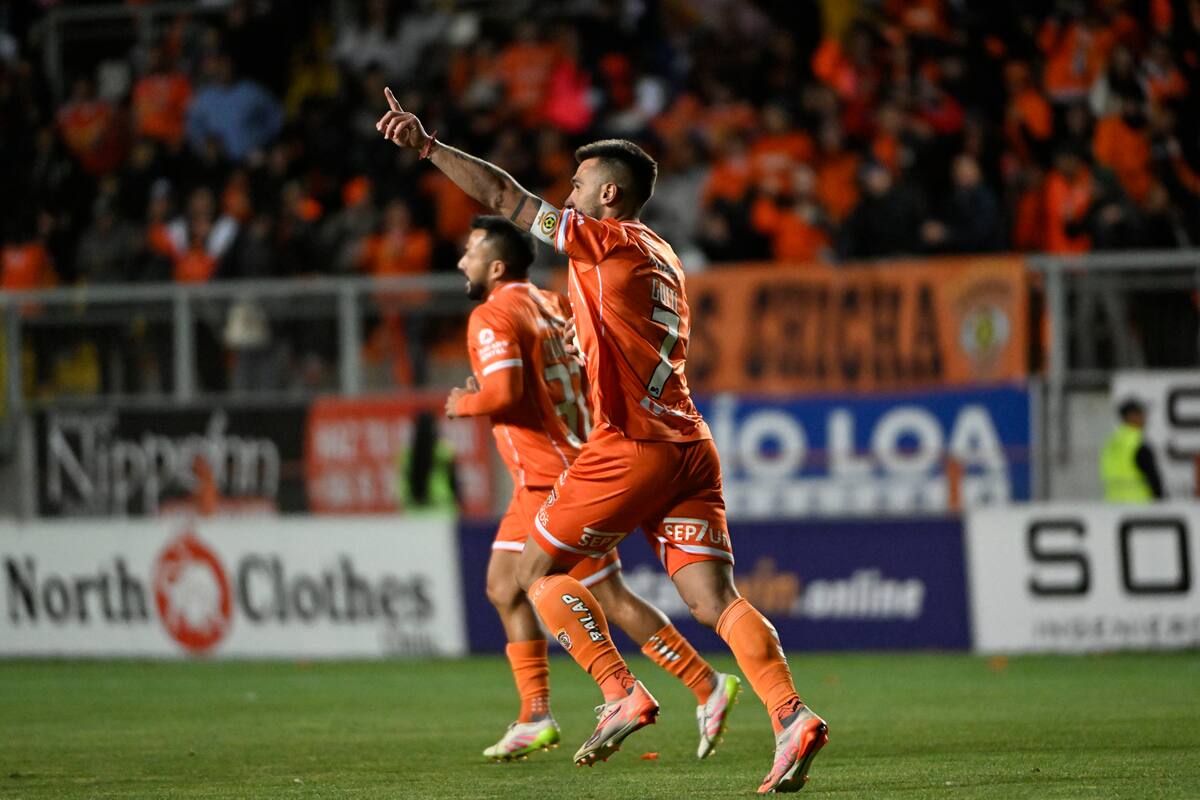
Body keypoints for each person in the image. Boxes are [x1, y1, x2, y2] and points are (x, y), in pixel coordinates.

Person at [377, 88, 827, 793]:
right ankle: (790, 714)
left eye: (579, 184)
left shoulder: (605, 237)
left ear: (609, 194)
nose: (568, 194)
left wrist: (428, 148)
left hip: (632, 445)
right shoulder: (662, 253)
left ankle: (621, 691)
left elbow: (502, 191)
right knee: (713, 600)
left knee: (532, 577)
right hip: (689, 444)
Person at [446, 215, 740, 762]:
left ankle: (684, 686)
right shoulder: (553, 304)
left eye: (469, 252)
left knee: (602, 593)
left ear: (496, 265)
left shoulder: (492, 313)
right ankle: (535, 715)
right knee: (503, 587)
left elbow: (505, 391)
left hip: (552, 474)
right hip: (541, 472)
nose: (461, 262)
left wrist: (463, 401)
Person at [1101, 399, 1165, 502]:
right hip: (1138, 509)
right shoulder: (1139, 445)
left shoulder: (1110, 444)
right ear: (1131, 417)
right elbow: (1155, 483)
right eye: (1141, 414)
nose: (1145, 419)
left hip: (1112, 509)